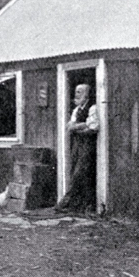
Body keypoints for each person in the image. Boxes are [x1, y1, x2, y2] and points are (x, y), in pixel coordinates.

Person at [55, 84, 99, 213]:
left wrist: (77, 127)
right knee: (75, 170)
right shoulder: (77, 109)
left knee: (81, 173)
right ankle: (77, 205)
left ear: (87, 95)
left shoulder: (93, 108)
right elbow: (70, 125)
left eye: (80, 92)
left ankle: (67, 202)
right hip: (77, 144)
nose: (76, 95)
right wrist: (82, 125)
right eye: (76, 92)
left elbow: (93, 127)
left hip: (88, 145)